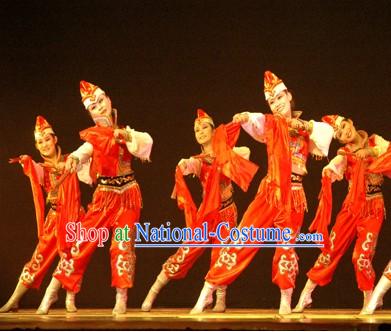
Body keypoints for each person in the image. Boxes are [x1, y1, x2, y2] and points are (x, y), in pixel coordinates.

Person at [191, 71, 333, 315]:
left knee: (286, 248)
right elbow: (257, 121)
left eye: (279, 98)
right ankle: (207, 291)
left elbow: (326, 134)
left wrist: (301, 125)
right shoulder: (270, 124)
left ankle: (285, 301)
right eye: (272, 101)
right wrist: (246, 117)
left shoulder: (307, 127)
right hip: (270, 191)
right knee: (242, 239)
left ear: (289, 96)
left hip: (294, 193)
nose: (277, 104)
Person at [37, 81, 153, 315]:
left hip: (128, 197)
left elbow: (146, 142)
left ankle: (121, 296)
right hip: (104, 199)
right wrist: (75, 159)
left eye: (101, 101)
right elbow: (85, 150)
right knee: (82, 242)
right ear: (89, 113)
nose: (99, 107)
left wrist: (126, 134)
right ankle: (52, 290)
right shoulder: (94, 137)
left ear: (109, 100)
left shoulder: (126, 131)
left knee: (122, 244)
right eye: (93, 107)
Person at [141, 109, 258, 312]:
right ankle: (153, 291)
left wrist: (223, 153)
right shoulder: (199, 160)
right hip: (207, 213)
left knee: (222, 254)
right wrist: (184, 164)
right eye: (196, 129)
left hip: (227, 211)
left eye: (205, 127)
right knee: (187, 250)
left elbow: (246, 152)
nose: (200, 131)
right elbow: (190, 166)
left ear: (214, 131)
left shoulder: (228, 153)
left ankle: (219, 299)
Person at [294, 114, 389, 313]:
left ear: (351, 122)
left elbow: (388, 151)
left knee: (361, 257)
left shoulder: (375, 141)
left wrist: (370, 151)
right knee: (330, 250)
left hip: (373, 208)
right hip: (351, 208)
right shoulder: (344, 153)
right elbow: (335, 164)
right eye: (339, 133)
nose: (344, 132)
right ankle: (306, 293)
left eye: (344, 126)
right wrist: (328, 171)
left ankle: (370, 299)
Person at [0, 116, 84, 314]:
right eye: (40, 142)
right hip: (55, 218)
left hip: (74, 217)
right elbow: (35, 171)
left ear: (55, 139)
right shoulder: (42, 168)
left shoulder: (72, 159)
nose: (44, 144)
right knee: (37, 259)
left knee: (72, 258)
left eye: (47, 139)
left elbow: (88, 169)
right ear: (37, 147)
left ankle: (69, 298)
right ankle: (14, 299)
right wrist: (27, 163)